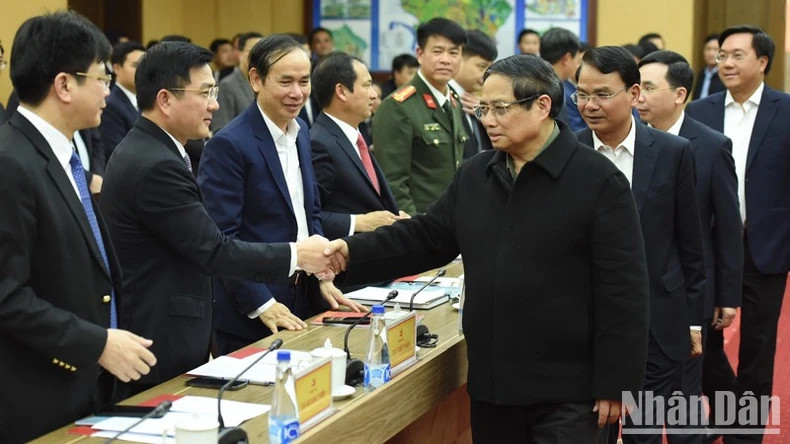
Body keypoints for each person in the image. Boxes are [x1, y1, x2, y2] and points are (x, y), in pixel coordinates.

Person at [326, 54, 650, 443]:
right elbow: (426, 238)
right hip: (494, 386)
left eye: (500, 108)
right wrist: (347, 252)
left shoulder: (597, 180)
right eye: (483, 108)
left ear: (542, 105)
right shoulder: (478, 174)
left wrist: (616, 382)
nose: (487, 119)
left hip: (571, 393)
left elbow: (624, 290)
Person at [100, 41, 341, 399]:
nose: (215, 103)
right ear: (165, 100)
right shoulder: (156, 163)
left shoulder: (161, 150)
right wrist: (297, 256)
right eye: (205, 93)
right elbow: (214, 248)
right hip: (159, 336)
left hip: (174, 328)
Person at [0, 12, 157, 442]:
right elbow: (6, 295)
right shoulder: (11, 162)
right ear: (64, 85)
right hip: (38, 394)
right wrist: (97, 343)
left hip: (89, 385)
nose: (109, 91)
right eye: (102, 78)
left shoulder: (66, 153)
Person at [574, 46, 705, 443]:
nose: (589, 105)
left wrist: (694, 320)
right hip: (584, 321)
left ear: (633, 95)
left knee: (644, 431)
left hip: (656, 318)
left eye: (602, 94)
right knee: (591, 430)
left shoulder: (673, 152)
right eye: (581, 94)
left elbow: (691, 244)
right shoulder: (568, 151)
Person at [198, 35, 361, 355]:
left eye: (304, 81)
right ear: (256, 79)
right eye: (285, 81)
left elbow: (309, 212)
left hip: (306, 294)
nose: (297, 92)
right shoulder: (229, 145)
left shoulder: (300, 133)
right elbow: (223, 239)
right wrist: (261, 303)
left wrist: (323, 274)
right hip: (255, 309)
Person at [686, 25, 790, 441]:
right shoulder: (701, 110)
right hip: (711, 247)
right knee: (703, 344)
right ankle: (731, 412)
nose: (725, 63)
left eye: (736, 55)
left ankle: (745, 434)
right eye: (721, 55)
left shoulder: (786, 111)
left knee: (758, 350)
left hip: (767, 246)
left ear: (762, 62)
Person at [637, 50, 743, 442]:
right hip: (640, 286)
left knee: (684, 392)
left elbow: (727, 226)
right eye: (636, 87)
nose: (639, 96)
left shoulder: (711, 145)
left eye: (648, 87)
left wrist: (727, 295)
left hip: (690, 288)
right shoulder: (630, 139)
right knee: (642, 401)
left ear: (679, 94)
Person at [373, 18, 469, 215]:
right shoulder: (398, 106)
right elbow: (393, 182)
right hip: (420, 226)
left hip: (452, 220)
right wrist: (413, 230)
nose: (446, 59)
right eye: (437, 51)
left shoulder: (453, 100)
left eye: (453, 52)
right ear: (420, 54)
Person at [310, 52, 405, 243]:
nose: (374, 94)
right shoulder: (319, 143)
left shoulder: (354, 136)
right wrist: (358, 222)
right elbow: (307, 216)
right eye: (367, 85)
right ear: (341, 91)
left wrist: (393, 218)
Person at [450, 29, 496, 158]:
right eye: (482, 66)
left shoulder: (478, 101)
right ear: (458, 58)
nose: (487, 74)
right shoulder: (444, 97)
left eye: (489, 68)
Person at [99, 41, 145, 157]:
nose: (142, 71)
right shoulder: (110, 105)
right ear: (117, 68)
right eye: (136, 65)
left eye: (144, 65)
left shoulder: (144, 100)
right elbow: (116, 152)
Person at [212, 31, 262, 133]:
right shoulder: (227, 84)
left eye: (263, 51)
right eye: (253, 50)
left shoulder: (267, 82)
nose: (259, 56)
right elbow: (220, 128)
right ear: (239, 53)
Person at [539, 27, 585, 131]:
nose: (578, 65)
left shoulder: (534, 82)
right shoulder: (560, 91)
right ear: (566, 59)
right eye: (578, 61)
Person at [691, 34, 725, 100]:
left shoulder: (725, 74)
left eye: (715, 49)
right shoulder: (701, 73)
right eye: (708, 49)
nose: (711, 53)